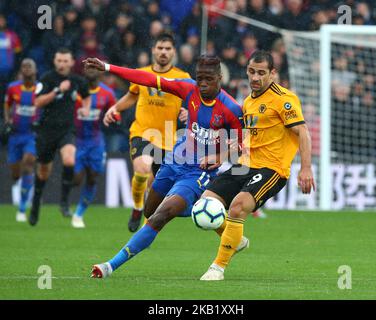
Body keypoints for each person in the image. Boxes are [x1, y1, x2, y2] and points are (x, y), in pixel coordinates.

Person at [83, 54, 247, 279]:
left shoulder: (231, 109)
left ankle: (109, 266)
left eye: (208, 79)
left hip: (198, 172)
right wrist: (108, 66)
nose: (202, 83)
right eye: (199, 78)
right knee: (150, 212)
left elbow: (244, 143)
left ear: (220, 78)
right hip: (174, 161)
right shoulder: (188, 89)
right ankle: (218, 221)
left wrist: (222, 155)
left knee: (160, 217)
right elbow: (145, 79)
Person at [199, 50, 315, 281]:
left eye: (261, 73)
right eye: (252, 72)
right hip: (245, 165)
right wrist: (222, 156)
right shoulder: (249, 101)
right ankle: (236, 239)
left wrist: (306, 167)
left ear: (273, 74)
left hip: (272, 169)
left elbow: (302, 131)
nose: (255, 77)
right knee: (205, 204)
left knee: (237, 207)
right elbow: (246, 138)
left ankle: (218, 267)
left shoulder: (284, 99)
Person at [103, 33, 190, 233]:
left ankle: (144, 222)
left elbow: (194, 102)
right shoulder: (141, 73)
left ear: (173, 52)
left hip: (168, 139)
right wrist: (114, 108)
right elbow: (131, 95)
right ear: (153, 50)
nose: (163, 52)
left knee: (154, 187)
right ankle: (136, 207)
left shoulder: (183, 77)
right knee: (142, 167)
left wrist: (187, 112)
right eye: (160, 48)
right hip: (142, 131)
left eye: (168, 49)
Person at [29, 47, 91, 226]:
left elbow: (86, 96)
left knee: (70, 161)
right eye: (59, 61)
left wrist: (86, 108)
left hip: (67, 130)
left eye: (66, 61)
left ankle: (64, 202)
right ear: (55, 61)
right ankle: (35, 205)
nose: (62, 64)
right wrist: (57, 91)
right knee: (43, 173)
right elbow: (37, 102)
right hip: (46, 131)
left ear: (72, 62)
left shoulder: (77, 80)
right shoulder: (47, 79)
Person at [71, 67, 117, 228]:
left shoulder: (107, 93)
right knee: (76, 179)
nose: (90, 70)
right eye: (87, 67)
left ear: (100, 72)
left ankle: (78, 213)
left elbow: (115, 111)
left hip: (96, 141)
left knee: (92, 177)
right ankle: (64, 197)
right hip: (76, 140)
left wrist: (113, 117)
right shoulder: (75, 90)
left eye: (93, 67)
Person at [3, 59, 38, 222]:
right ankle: (22, 186)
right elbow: (7, 104)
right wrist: (8, 120)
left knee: (28, 162)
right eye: (23, 66)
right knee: (16, 172)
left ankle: (23, 207)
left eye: (29, 66)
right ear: (20, 70)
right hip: (16, 134)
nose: (26, 69)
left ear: (35, 70)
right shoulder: (12, 88)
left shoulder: (40, 88)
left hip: (32, 135)